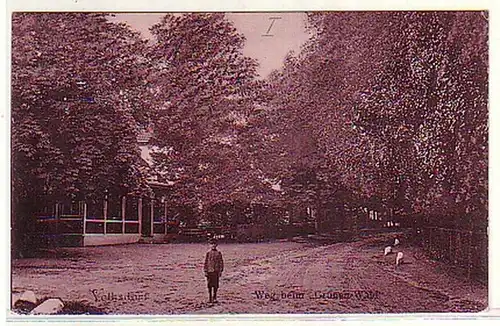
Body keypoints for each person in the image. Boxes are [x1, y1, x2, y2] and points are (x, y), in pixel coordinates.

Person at [203, 238, 224, 303]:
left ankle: (214, 297)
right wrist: (205, 271)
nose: (213, 245)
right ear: (209, 245)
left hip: (216, 271)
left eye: (214, 244)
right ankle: (210, 297)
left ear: (216, 245)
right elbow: (206, 263)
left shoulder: (219, 253)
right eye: (211, 244)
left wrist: (220, 271)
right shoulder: (208, 253)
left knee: (215, 285)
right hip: (209, 271)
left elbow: (221, 262)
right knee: (209, 285)